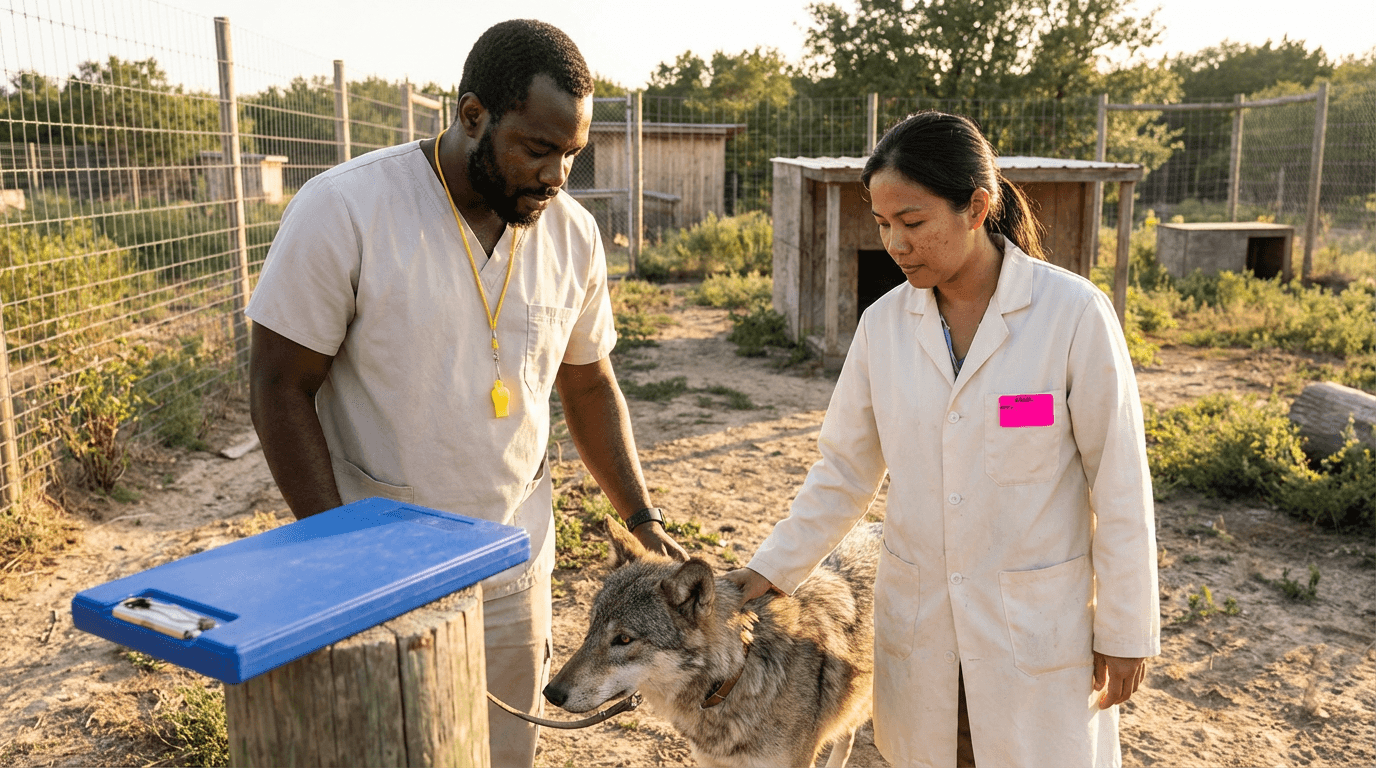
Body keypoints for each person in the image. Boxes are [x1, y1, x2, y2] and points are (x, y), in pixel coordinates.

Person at [247, 19, 685, 767]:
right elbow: (278, 386)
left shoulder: (571, 233)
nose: (557, 176)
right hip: (379, 564)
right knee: (395, 749)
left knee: (502, 750)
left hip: (514, 560)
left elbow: (587, 382)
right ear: (472, 115)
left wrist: (641, 516)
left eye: (572, 154)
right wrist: (342, 554)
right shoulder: (346, 210)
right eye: (538, 150)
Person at [724, 111, 1160, 767]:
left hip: (1035, 633)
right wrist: (766, 574)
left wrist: (1127, 632)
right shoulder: (884, 328)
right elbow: (842, 474)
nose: (895, 243)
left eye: (913, 222)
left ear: (976, 207)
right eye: (882, 224)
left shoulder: (1070, 316)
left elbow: (1120, 486)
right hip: (923, 630)